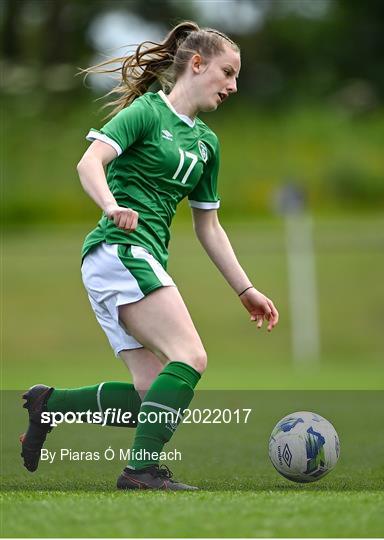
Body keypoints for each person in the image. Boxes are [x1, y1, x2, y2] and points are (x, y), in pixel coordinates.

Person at [20, 20, 279, 491]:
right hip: (119, 251)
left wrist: (246, 289)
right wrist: (111, 206)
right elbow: (89, 162)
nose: (234, 86)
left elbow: (210, 227)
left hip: (128, 259)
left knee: (151, 395)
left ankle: (49, 404)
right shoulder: (147, 112)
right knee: (191, 356)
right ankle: (141, 471)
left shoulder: (206, 145)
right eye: (228, 72)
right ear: (196, 64)